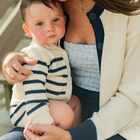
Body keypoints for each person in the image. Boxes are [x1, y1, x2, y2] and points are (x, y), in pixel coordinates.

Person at [1, 0, 140, 139]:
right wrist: (13, 57)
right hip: (54, 109)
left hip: (119, 118)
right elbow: (39, 49)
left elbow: (132, 96)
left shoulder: (132, 8)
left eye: (55, 20)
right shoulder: (51, 4)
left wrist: (72, 136)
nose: (49, 27)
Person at [9, 0, 82, 132]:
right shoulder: (35, 55)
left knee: (75, 102)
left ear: (64, 20)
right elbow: (34, 90)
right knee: (65, 113)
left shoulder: (54, 49)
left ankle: (73, 135)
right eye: (40, 24)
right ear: (28, 30)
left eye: (55, 20)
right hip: (27, 108)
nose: (50, 28)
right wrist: (43, 121)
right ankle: (54, 135)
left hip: (50, 101)